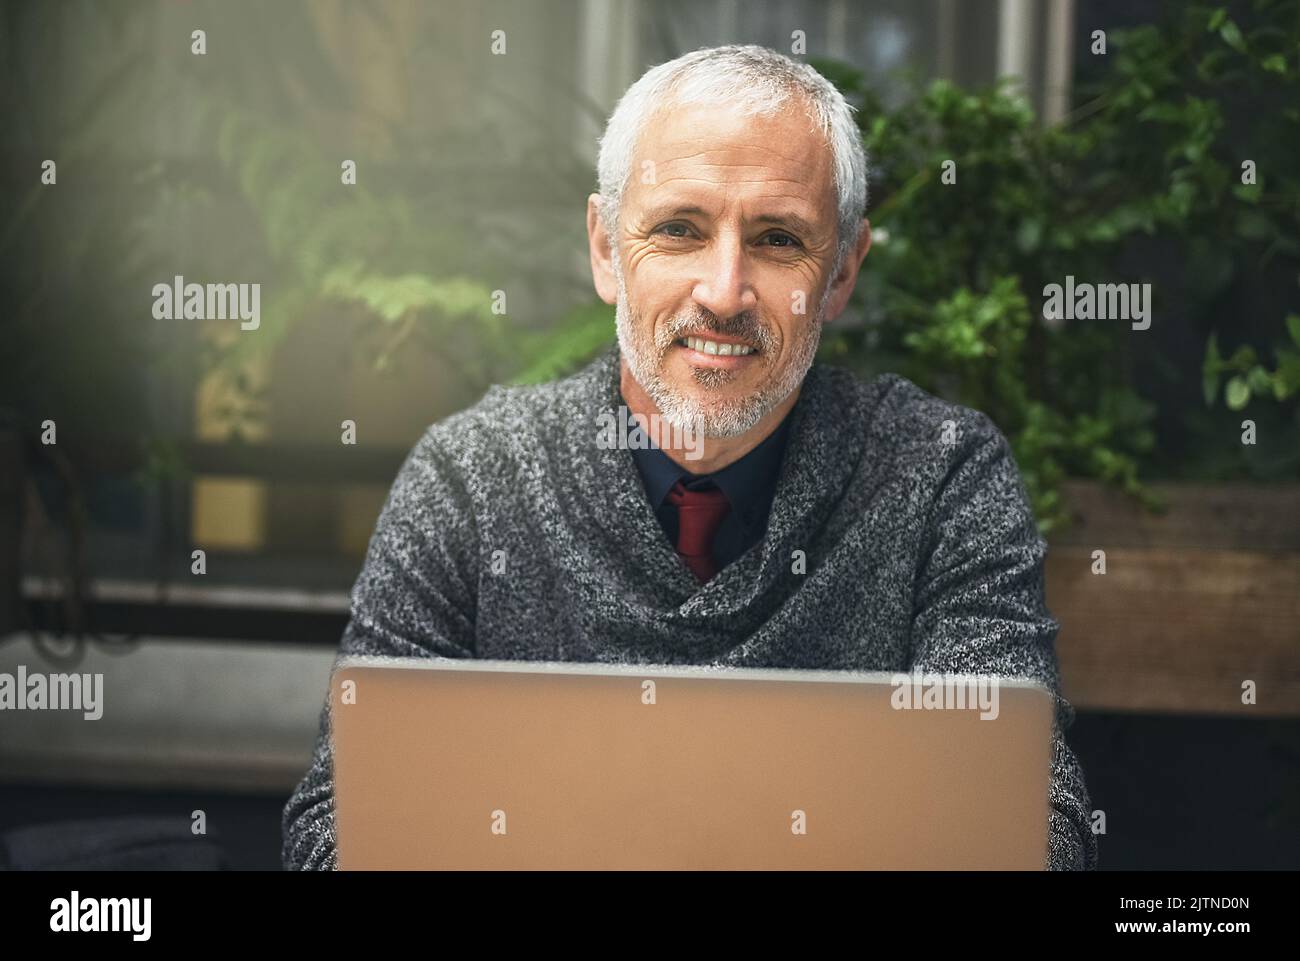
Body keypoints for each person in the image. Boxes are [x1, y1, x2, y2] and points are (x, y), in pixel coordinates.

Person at [282, 44, 1097, 871]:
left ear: (844, 270)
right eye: (679, 229)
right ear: (606, 249)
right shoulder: (468, 481)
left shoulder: (942, 476)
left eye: (778, 239)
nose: (723, 290)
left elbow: (1035, 826)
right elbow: (336, 827)